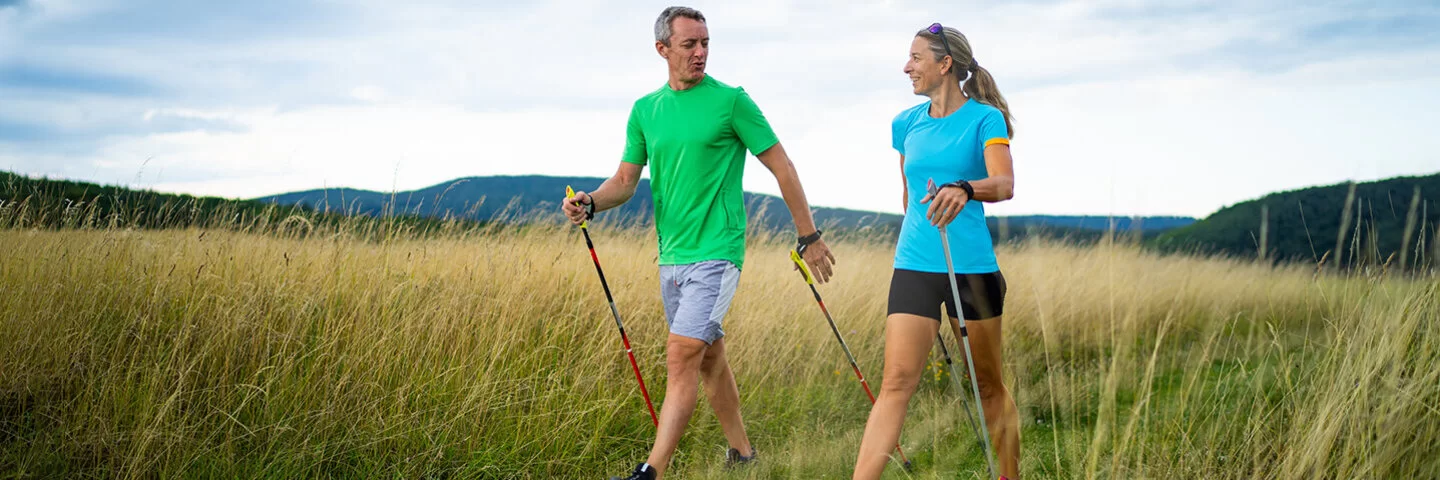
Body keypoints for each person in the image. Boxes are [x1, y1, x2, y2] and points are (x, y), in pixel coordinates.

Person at [560, 6, 838, 480]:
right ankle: (744, 456)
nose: (701, 52)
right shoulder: (646, 110)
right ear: (662, 49)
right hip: (671, 257)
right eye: (689, 44)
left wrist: (808, 235)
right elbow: (626, 181)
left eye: (705, 42)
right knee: (709, 358)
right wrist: (591, 200)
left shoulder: (731, 101)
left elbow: (782, 166)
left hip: (718, 253)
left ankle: (652, 471)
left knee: (681, 354)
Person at [852, 23, 1020, 480]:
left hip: (971, 267)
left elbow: (1004, 184)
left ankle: (1008, 475)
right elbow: (908, 196)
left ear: (944, 65)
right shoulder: (905, 123)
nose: (907, 67)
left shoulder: (986, 119)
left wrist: (965, 188)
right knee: (896, 383)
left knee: (987, 384)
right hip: (914, 265)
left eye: (916, 58)